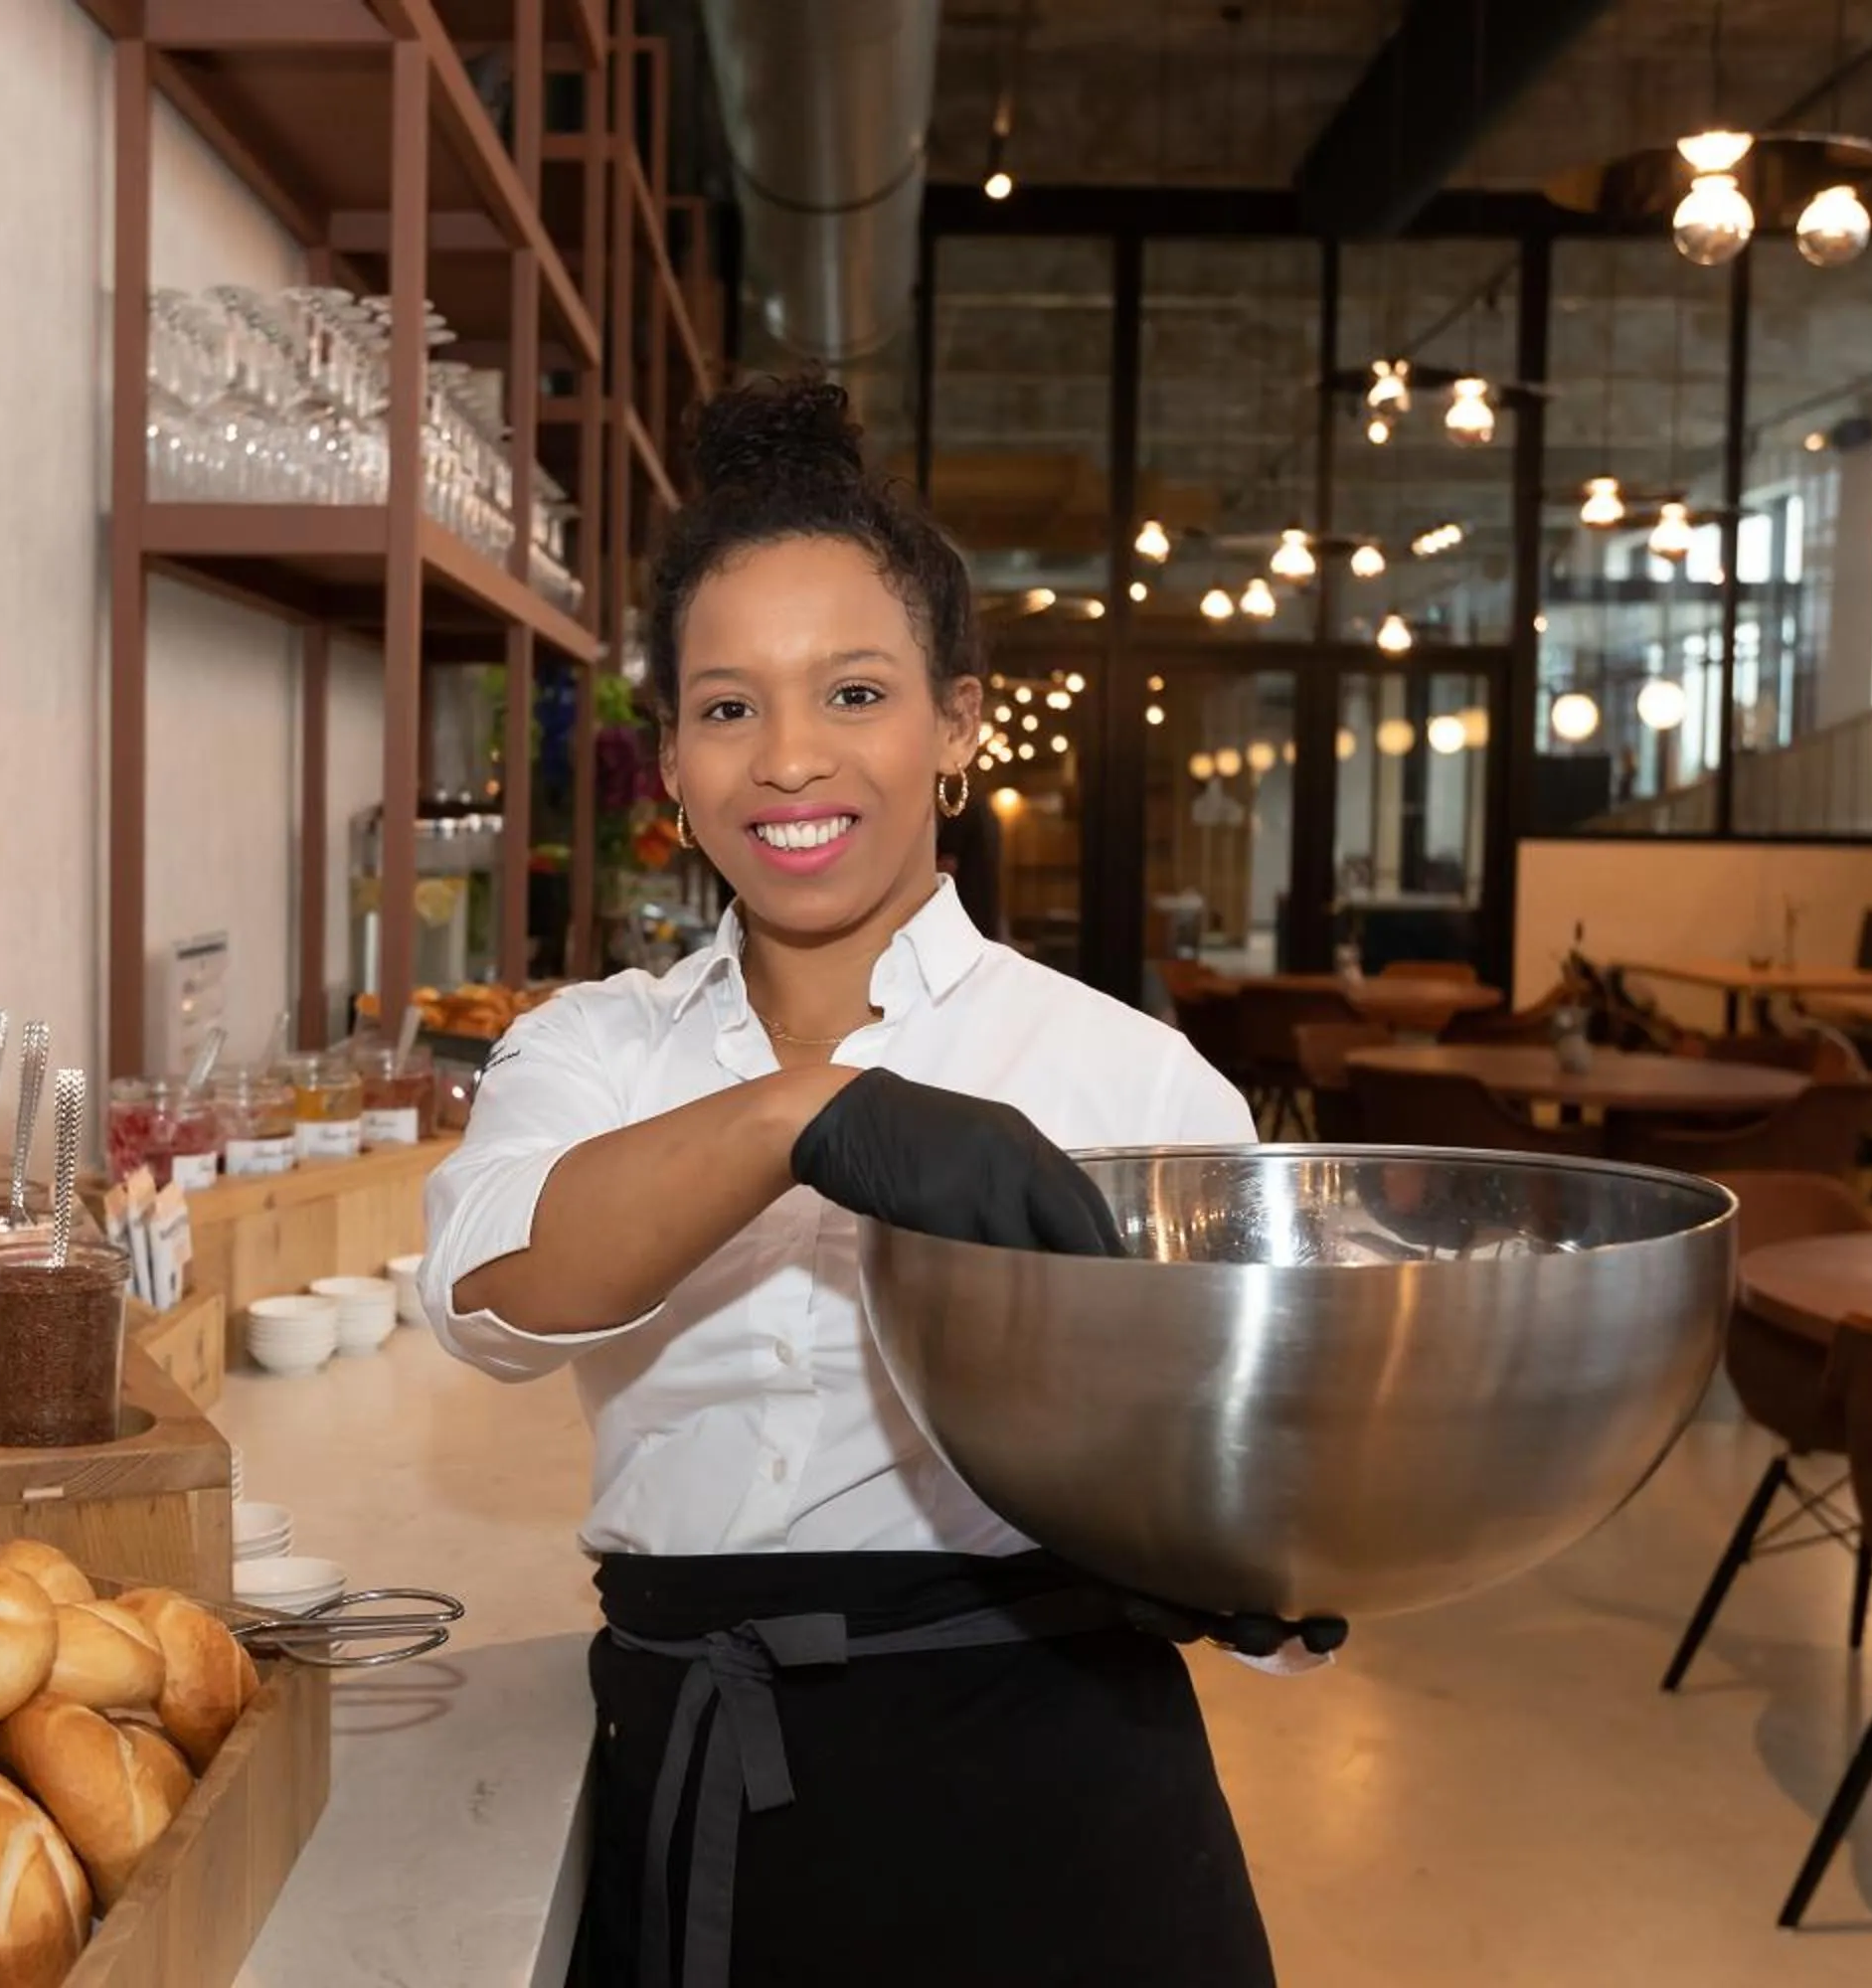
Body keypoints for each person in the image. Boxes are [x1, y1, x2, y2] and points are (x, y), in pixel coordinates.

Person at [420, 377, 1333, 1988]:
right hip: (704, 1770)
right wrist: (807, 1115)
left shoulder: (1130, 1078)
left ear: (958, 722)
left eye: (853, 693)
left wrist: (1265, 1548)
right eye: (726, 708)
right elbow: (494, 1295)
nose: (788, 761)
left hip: (1057, 1789)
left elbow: (1263, 1440)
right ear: (670, 753)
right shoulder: (594, 1049)